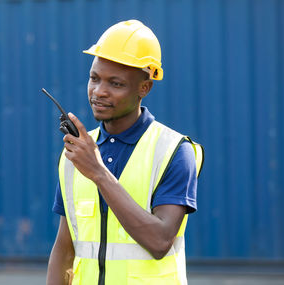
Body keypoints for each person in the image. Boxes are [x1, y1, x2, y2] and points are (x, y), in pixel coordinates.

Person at [46, 20, 204, 285]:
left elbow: (160, 241)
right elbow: (65, 246)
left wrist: (97, 172)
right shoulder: (76, 153)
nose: (99, 91)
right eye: (94, 78)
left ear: (145, 88)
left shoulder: (175, 151)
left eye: (115, 84)